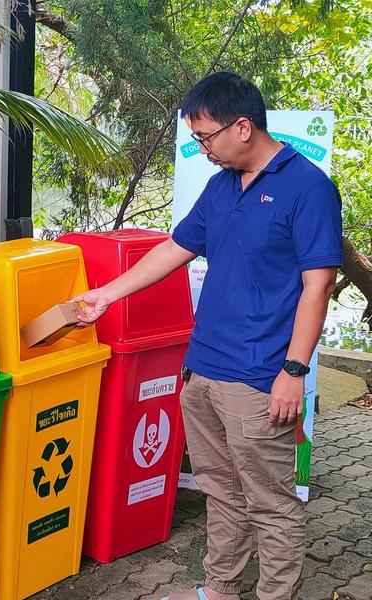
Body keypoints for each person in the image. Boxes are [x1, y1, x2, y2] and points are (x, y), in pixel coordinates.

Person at [73, 71, 342, 600]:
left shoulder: (308, 188)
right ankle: (219, 589)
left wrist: (293, 371)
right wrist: (107, 294)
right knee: (221, 492)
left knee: (272, 505)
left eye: (205, 137)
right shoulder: (222, 186)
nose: (203, 149)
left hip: (260, 377)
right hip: (203, 369)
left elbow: (319, 285)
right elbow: (175, 249)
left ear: (242, 127)